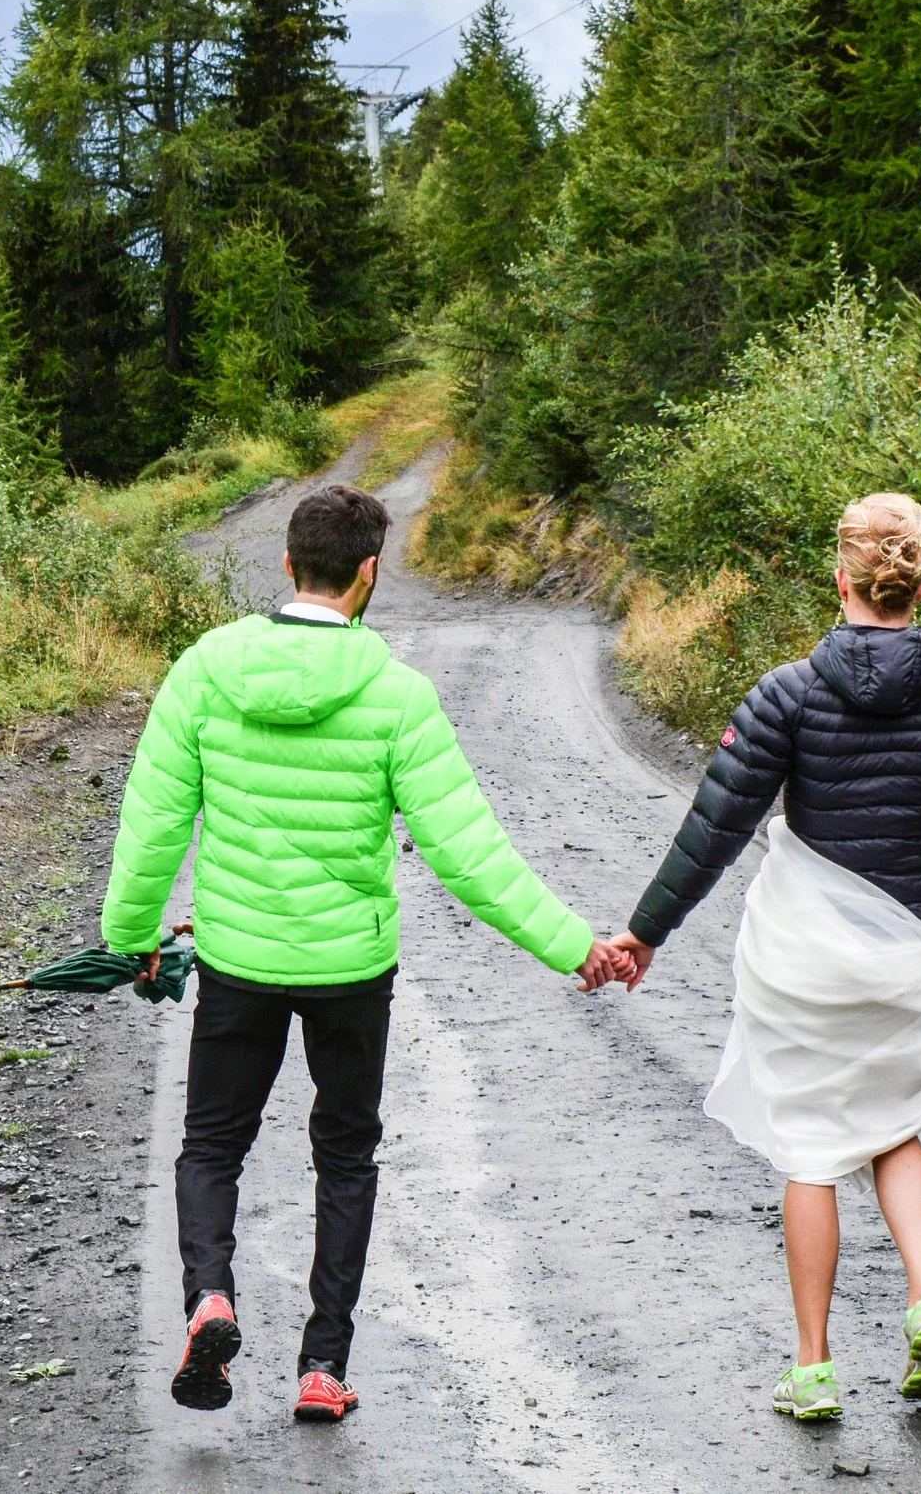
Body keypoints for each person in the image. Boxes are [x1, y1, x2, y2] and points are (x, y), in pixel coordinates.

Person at [101, 482, 630, 1424]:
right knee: (344, 1157)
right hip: (351, 972)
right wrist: (572, 946)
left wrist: (133, 938)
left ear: (288, 565)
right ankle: (320, 1365)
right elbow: (471, 854)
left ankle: (211, 1298)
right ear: (369, 574)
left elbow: (151, 828)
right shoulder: (396, 694)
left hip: (239, 960)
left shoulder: (205, 669)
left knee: (213, 1145)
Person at [605, 493, 921, 1421]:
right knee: (898, 1127)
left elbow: (714, 830)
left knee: (810, 1151)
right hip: (913, 955)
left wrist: (645, 933)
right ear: (920, 580)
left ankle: (814, 1365)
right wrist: (920, 840)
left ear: (841, 579)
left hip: (804, 960)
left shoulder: (785, 695)